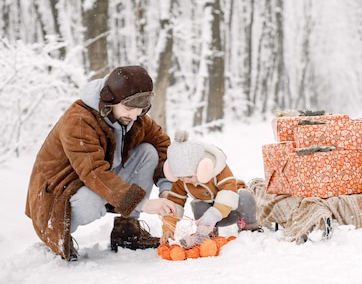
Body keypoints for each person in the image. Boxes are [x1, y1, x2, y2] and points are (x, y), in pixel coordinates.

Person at [25, 66, 176, 261]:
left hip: (100, 183)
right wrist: (143, 204)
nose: (134, 116)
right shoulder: (79, 120)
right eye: (129, 108)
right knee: (92, 201)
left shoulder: (132, 117)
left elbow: (161, 143)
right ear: (109, 99)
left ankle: (127, 229)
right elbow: (94, 173)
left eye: (140, 110)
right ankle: (56, 233)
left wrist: (166, 187)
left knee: (149, 152)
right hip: (57, 195)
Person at [159, 130, 262, 248]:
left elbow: (228, 191)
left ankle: (249, 229)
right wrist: (168, 228)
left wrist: (214, 214)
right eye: (181, 178)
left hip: (232, 211)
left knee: (245, 196)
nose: (185, 181)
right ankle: (207, 233)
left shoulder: (219, 170)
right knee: (199, 204)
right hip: (206, 220)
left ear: (201, 168)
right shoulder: (182, 180)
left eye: (189, 176)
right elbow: (175, 202)